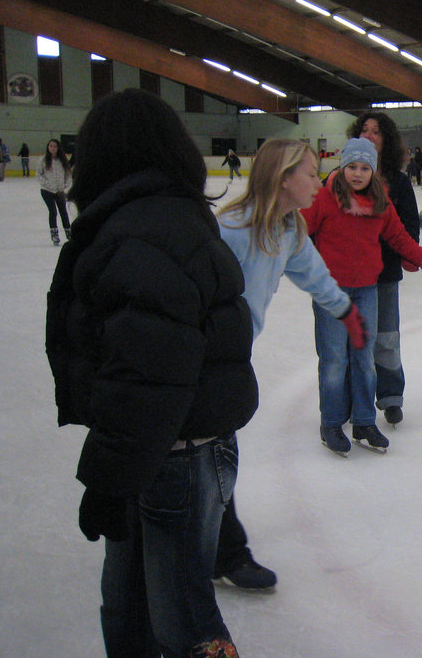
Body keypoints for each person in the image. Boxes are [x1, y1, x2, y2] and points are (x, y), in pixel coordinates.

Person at [45, 88, 256, 657]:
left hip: (172, 456)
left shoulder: (141, 232)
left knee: (183, 625)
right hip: (172, 449)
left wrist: (111, 482)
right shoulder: (163, 220)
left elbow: (148, 378)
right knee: (130, 609)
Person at [214, 138, 365, 592]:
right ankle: (218, 554)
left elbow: (314, 275)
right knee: (214, 457)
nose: (319, 181)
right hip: (203, 358)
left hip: (231, 355)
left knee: (216, 457)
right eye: (310, 172)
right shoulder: (232, 230)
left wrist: (345, 311)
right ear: (283, 179)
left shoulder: (288, 229)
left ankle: (218, 551)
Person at [301, 138, 422, 455]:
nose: (357, 173)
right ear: (342, 166)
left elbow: (399, 237)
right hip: (331, 292)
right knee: (335, 360)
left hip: (366, 290)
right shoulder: (324, 198)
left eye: (365, 168)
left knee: (364, 360)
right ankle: (332, 423)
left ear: (373, 171)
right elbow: (298, 230)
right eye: (352, 166)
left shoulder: (380, 202)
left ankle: (364, 422)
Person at [349, 111, 418, 426]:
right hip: (348, 274)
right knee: (353, 338)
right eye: (364, 130)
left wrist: (410, 255)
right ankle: (352, 398)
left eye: (375, 132)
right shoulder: (343, 179)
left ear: (385, 140)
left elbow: (409, 226)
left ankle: (390, 397)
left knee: (386, 338)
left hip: (384, 274)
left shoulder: (398, 182)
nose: (368, 135)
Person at [37, 138, 72, 245]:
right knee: (53, 211)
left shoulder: (63, 159)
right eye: (50, 146)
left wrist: (64, 186)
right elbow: (39, 175)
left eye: (55, 146)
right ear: (48, 147)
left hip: (60, 191)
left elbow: (68, 175)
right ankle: (54, 234)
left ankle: (69, 232)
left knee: (63, 212)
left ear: (58, 148)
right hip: (47, 191)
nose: (52, 148)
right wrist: (48, 185)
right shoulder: (43, 160)